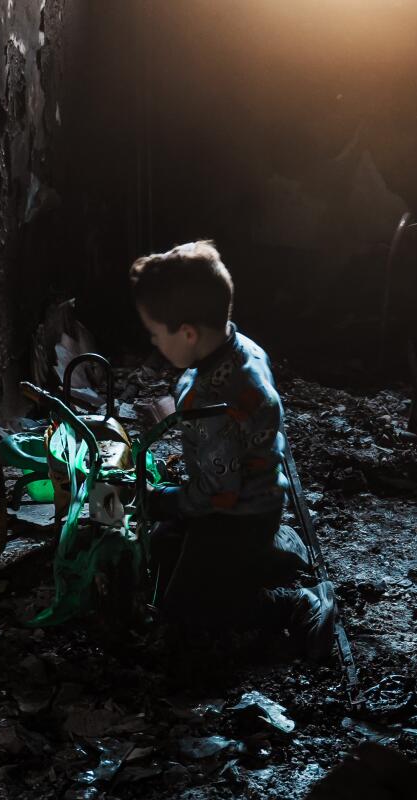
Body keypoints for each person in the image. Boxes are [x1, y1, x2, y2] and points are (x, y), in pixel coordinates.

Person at [128, 240, 332, 656]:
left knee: (184, 609)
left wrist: (162, 498)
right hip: (257, 490)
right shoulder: (243, 348)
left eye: (155, 335)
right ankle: (269, 552)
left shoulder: (212, 404)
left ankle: (293, 605)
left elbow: (217, 495)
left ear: (187, 333)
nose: (153, 344)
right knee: (165, 545)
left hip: (237, 512)